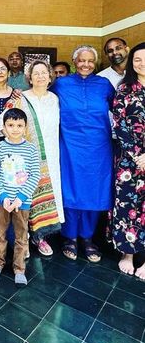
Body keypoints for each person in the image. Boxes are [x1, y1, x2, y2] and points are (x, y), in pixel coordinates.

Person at [50, 45, 114, 263]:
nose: (86, 64)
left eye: (90, 61)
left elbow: (119, 109)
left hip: (99, 147)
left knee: (94, 191)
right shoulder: (61, 84)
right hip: (69, 145)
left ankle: (87, 237)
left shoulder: (104, 84)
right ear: (74, 62)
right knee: (70, 189)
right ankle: (69, 237)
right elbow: (44, 100)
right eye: (81, 60)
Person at [0, 60, 63, 256]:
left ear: (50, 77)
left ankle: (40, 237)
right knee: (24, 198)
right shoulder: (20, 98)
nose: (41, 76)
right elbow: (2, 122)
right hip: (23, 159)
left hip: (51, 157)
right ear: (30, 78)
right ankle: (22, 239)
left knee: (45, 199)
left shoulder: (54, 99)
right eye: (36, 73)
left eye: (44, 73)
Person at [0, 108, 40, 286]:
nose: (15, 129)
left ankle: (19, 268)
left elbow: (34, 175)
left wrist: (20, 198)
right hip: (2, 201)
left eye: (19, 125)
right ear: (4, 127)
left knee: (21, 236)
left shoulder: (31, 149)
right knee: (0, 233)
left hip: (22, 203)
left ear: (25, 127)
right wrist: (4, 197)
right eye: (11, 125)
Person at [110, 42, 145, 279]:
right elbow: (119, 124)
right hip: (129, 161)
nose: (142, 64)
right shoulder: (125, 88)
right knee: (127, 205)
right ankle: (128, 254)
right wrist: (138, 155)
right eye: (137, 59)